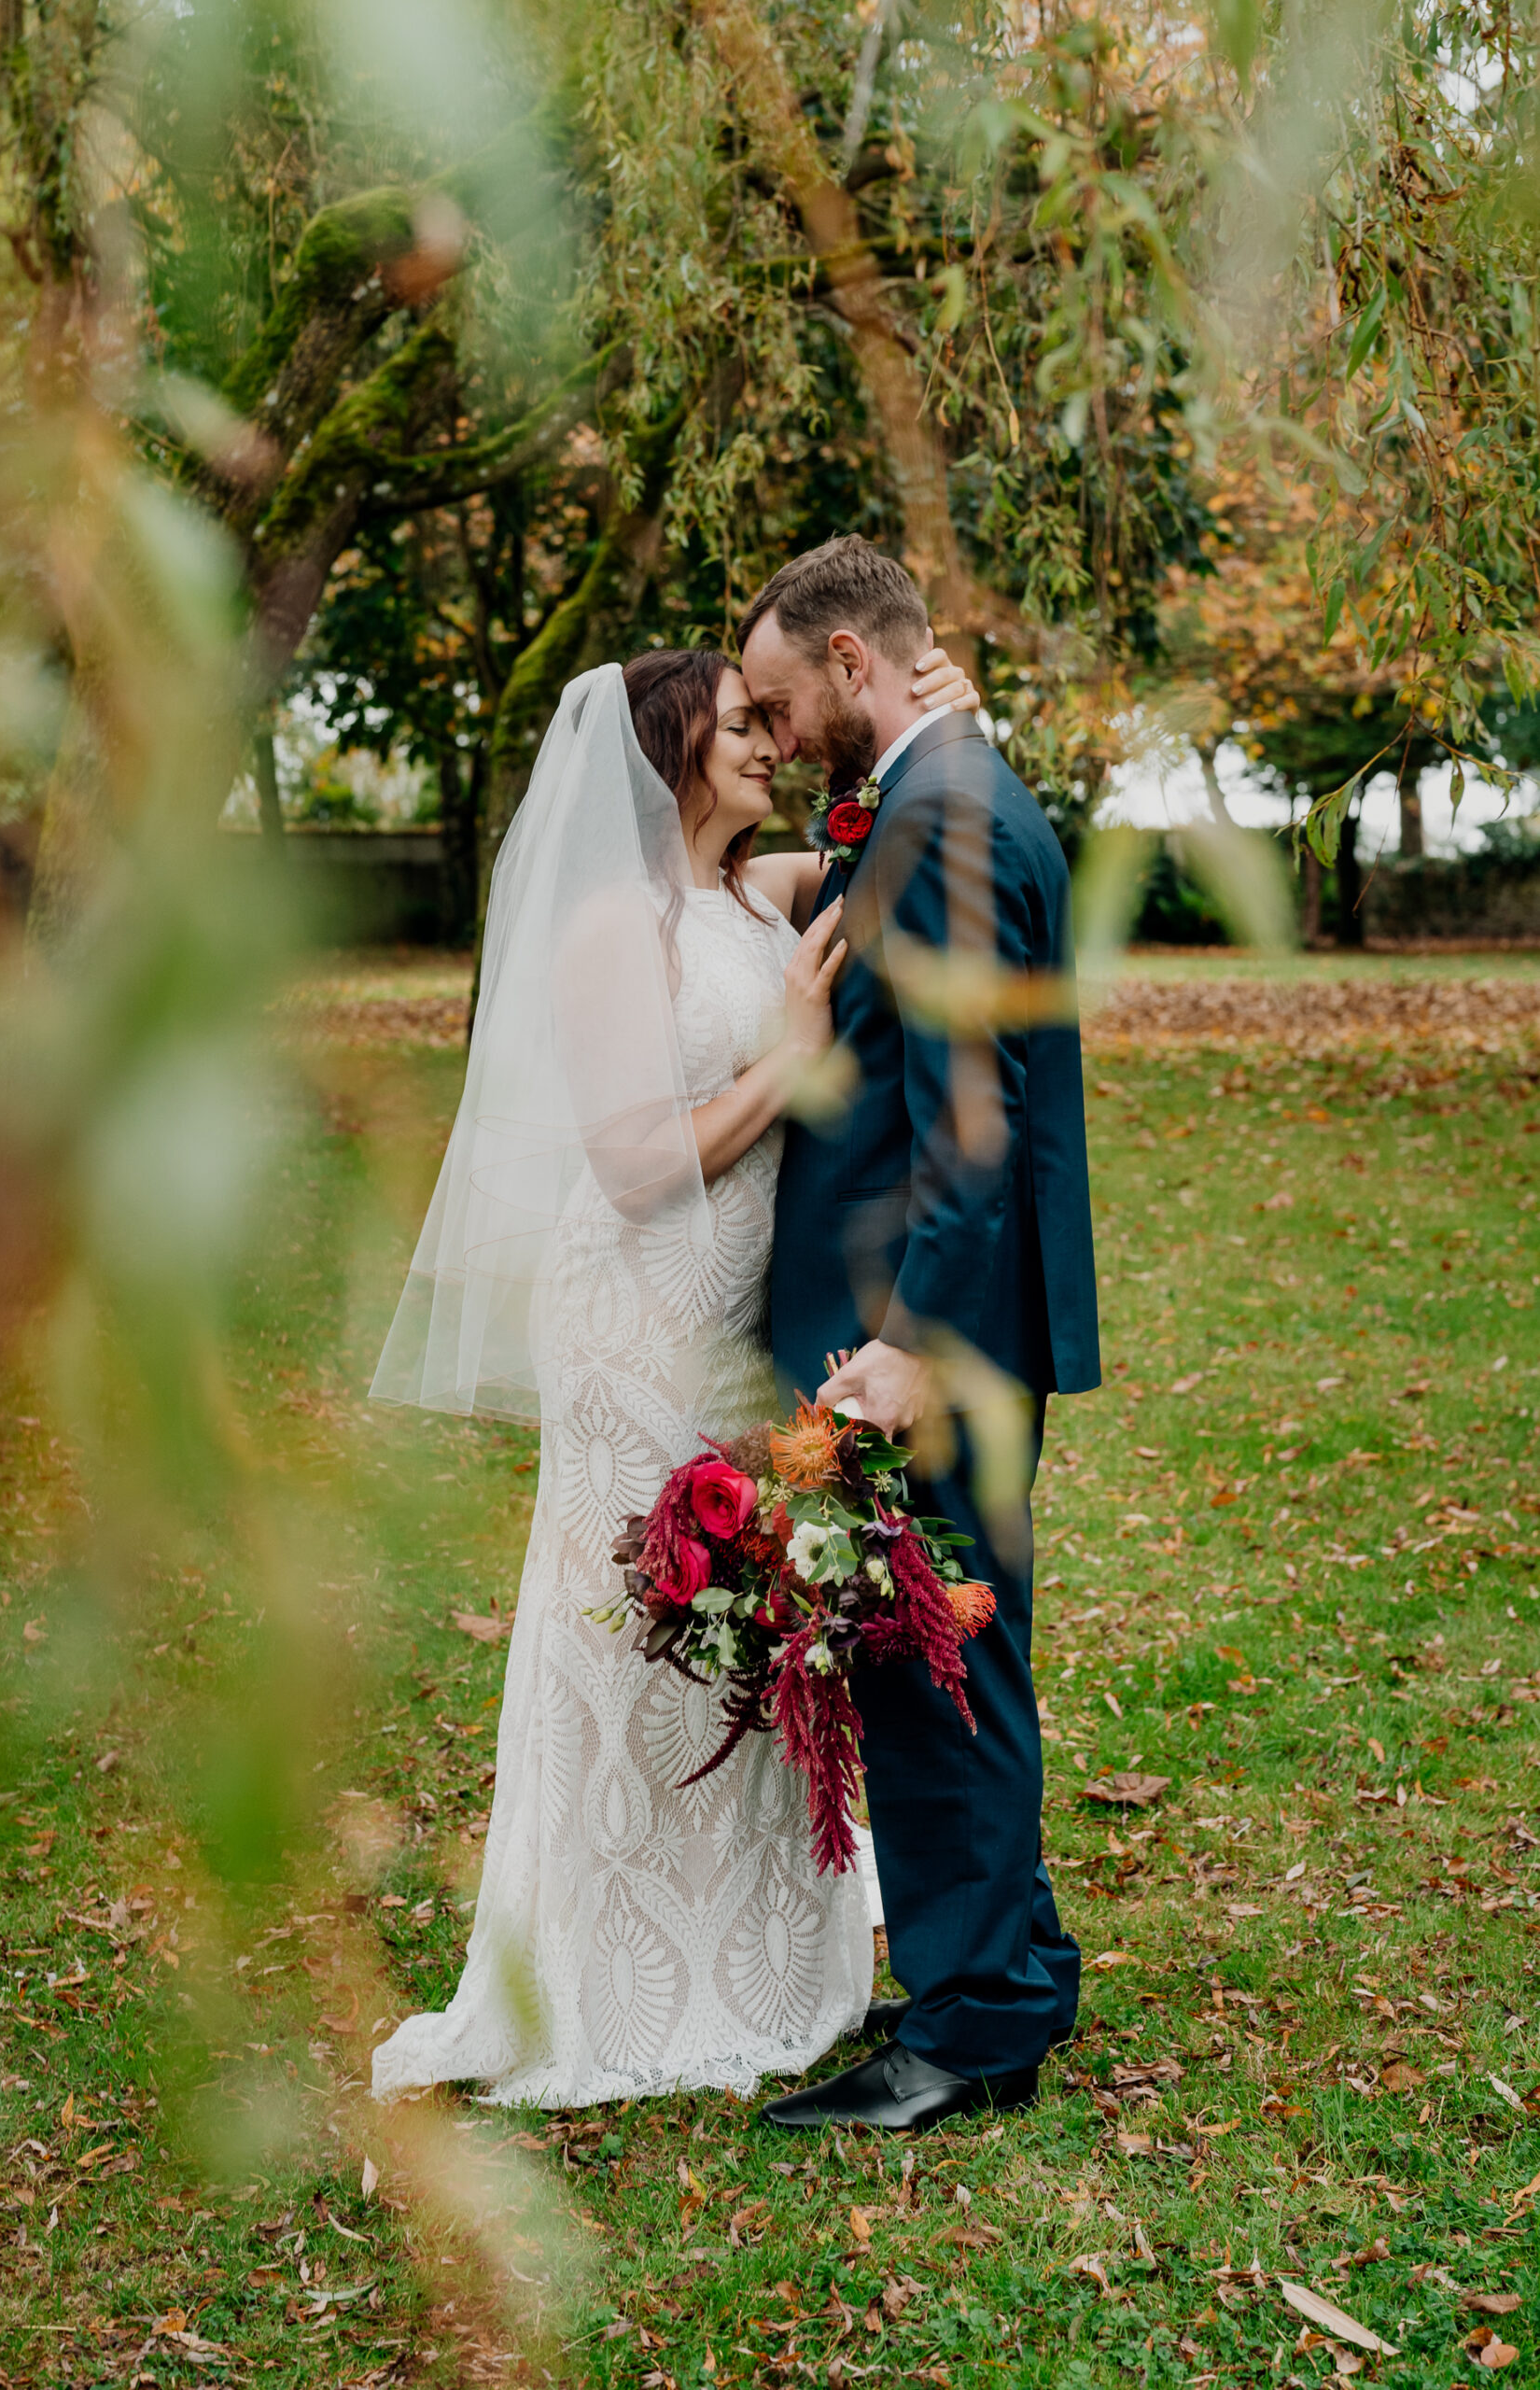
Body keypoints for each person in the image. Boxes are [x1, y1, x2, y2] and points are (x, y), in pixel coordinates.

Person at [368, 634, 978, 2108]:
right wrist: (792, 1055)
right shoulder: (606, 927)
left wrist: (946, 723)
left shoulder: (751, 893)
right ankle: (611, 1978)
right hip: (632, 1315)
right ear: (667, 756)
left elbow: (883, 841)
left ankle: (756, 1955)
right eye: (737, 730)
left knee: (751, 1622)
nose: (769, 744)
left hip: (734, 1319)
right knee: (631, 1634)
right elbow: (639, 1166)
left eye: (769, 724)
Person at [738, 535, 1102, 2132]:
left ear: (846, 657)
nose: (771, 727)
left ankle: (970, 2030)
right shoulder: (938, 789)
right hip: (946, 1328)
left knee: (936, 1663)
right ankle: (1004, 1964)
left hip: (928, 1339)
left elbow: (973, 1114)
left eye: (774, 696)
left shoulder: (948, 809)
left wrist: (906, 1340)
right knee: (958, 1652)